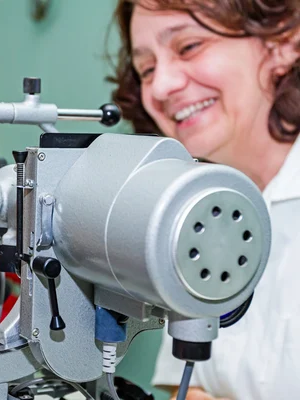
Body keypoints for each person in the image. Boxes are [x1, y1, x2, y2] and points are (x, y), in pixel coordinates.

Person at [110, 1, 300, 399]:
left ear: (284, 42)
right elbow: (190, 385)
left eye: (189, 46)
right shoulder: (191, 209)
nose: (160, 87)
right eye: (147, 69)